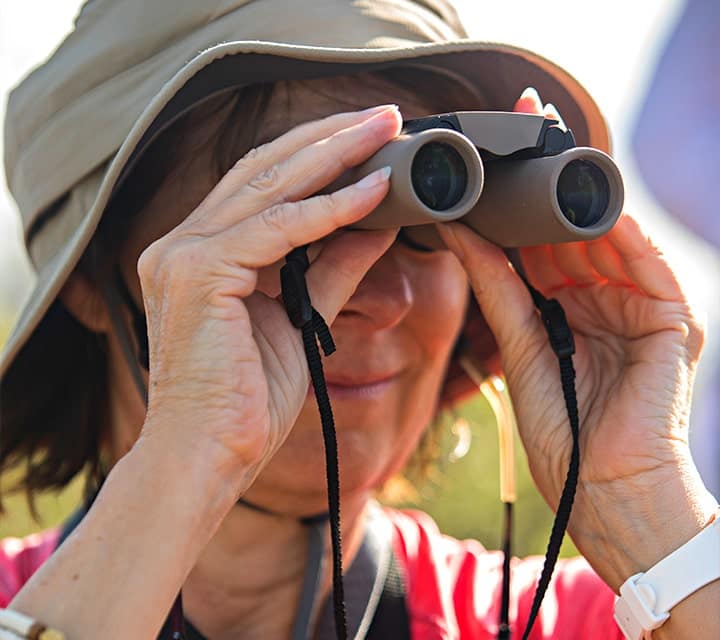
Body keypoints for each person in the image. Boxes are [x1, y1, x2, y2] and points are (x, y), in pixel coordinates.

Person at [0, 1, 717, 639]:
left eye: (429, 225)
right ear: (93, 280)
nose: (386, 297)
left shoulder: (616, 616)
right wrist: (185, 464)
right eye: (294, 231)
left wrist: (645, 508)